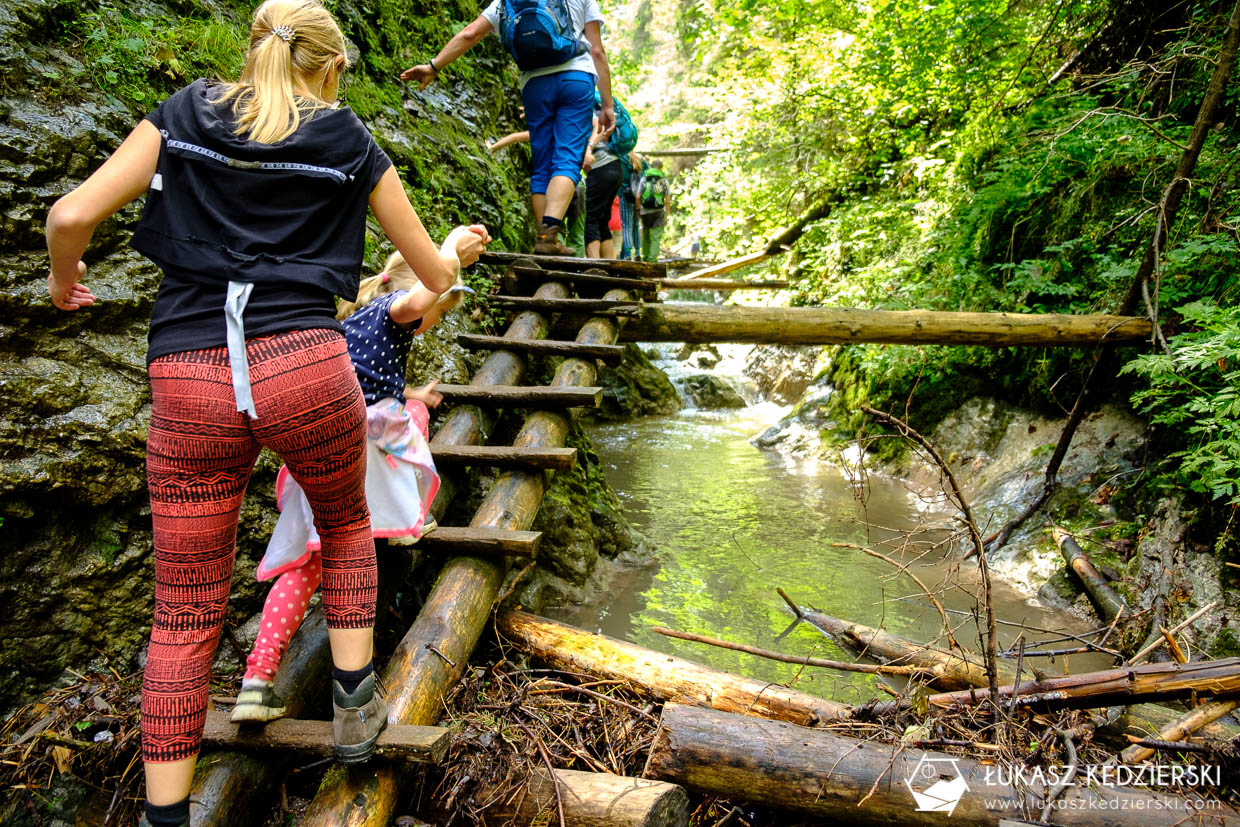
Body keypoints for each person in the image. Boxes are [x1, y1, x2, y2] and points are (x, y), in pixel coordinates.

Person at [43, 1, 487, 824]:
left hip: (190, 372)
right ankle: (356, 713)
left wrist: (61, 280)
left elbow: (69, 215)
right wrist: (450, 261)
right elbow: (430, 270)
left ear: (253, 51)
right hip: (305, 366)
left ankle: (165, 814)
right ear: (329, 68)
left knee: (183, 604)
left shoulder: (182, 115)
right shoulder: (348, 139)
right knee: (347, 525)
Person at [231, 248, 480, 723]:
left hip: (317, 441)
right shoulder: (398, 308)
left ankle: (256, 682)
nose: (435, 322)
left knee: (306, 565)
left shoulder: (352, 320)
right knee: (353, 549)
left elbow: (362, 380)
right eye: (440, 312)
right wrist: (445, 256)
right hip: (363, 453)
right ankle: (409, 517)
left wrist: (409, 391)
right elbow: (415, 302)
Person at [402, 0, 615, 255]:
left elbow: (470, 33)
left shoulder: (505, 2)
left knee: (543, 163)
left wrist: (433, 66)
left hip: (535, 84)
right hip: (576, 79)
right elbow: (598, 52)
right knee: (567, 159)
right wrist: (607, 104)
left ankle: (544, 237)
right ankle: (549, 236)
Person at [584, 116, 623, 258]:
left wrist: (588, 149)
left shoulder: (587, 112)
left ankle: (594, 267)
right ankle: (608, 265)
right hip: (615, 167)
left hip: (600, 168)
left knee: (590, 217)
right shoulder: (601, 111)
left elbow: (596, 128)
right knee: (602, 220)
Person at [638, 158, 670, 262]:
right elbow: (668, 200)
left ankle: (645, 257)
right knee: (656, 237)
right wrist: (666, 215)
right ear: (661, 168)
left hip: (645, 211)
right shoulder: (664, 180)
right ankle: (652, 261)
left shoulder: (644, 178)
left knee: (646, 234)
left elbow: (638, 196)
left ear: (651, 166)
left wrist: (638, 209)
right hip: (659, 211)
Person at [618, 151, 642, 260]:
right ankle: (637, 252)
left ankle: (627, 254)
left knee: (626, 226)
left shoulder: (622, 159)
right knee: (635, 227)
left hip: (625, 196)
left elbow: (621, 180)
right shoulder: (638, 160)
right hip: (637, 198)